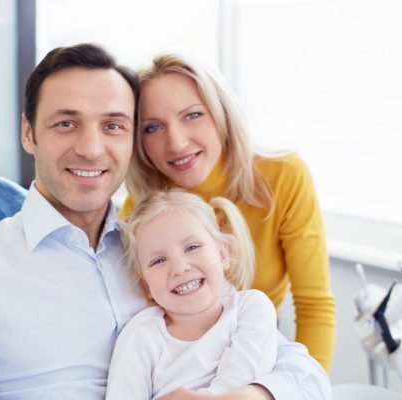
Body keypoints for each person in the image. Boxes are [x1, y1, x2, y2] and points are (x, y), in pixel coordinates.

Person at [0, 43, 332, 400]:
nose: (91, 148)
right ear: (28, 133)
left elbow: (306, 376)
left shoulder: (174, 252)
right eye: (66, 123)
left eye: (113, 126)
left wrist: (251, 395)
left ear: (131, 141)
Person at [121, 51, 337, 370]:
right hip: (176, 364)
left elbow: (314, 306)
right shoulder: (140, 210)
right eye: (153, 127)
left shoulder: (283, 176)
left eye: (192, 115)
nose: (177, 143)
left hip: (259, 357)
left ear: (222, 113)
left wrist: (309, 385)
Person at [106, 190, 278, 399]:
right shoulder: (140, 338)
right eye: (158, 261)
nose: (179, 268)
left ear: (222, 254)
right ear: (146, 285)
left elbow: (236, 385)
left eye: (192, 247)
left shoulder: (251, 309)